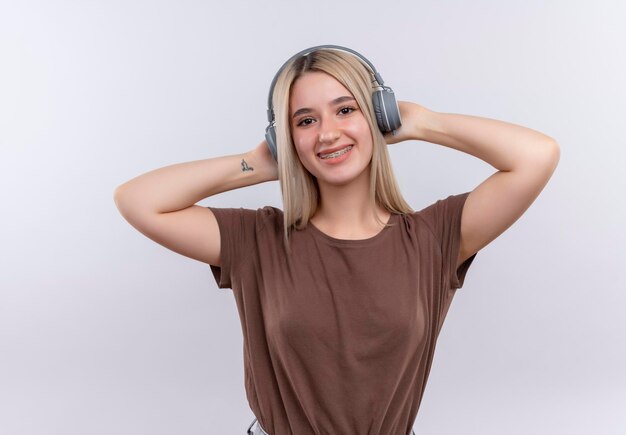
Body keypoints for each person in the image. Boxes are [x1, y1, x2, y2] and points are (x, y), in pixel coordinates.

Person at [113, 45, 560, 435]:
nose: (327, 132)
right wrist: (260, 162)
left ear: (378, 116)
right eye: (305, 121)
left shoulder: (434, 238)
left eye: (346, 110)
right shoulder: (257, 240)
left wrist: (423, 123)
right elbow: (137, 200)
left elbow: (536, 156)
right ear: (286, 136)